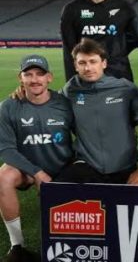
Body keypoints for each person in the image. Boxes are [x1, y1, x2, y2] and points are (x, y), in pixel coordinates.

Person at [0, 55, 73, 261]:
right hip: (27, 170)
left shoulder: (64, 104)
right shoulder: (8, 106)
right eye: (28, 74)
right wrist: (36, 172)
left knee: (60, 231)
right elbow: (5, 149)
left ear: (49, 77)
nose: (34, 79)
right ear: (20, 78)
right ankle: (17, 245)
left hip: (59, 168)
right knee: (3, 177)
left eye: (40, 74)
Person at [56, 38, 138, 184]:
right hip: (88, 165)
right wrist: (23, 92)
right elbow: (46, 102)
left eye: (93, 61)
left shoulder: (125, 89)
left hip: (124, 166)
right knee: (55, 194)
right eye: (82, 63)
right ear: (75, 66)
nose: (88, 68)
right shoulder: (69, 91)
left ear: (104, 63)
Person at [61, 0, 136, 81]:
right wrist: (72, 84)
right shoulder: (71, 10)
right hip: (87, 82)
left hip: (119, 79)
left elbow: (134, 40)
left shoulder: (124, 8)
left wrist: (115, 54)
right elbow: (69, 53)